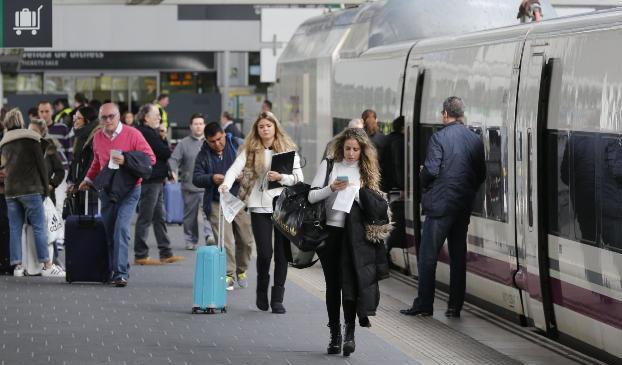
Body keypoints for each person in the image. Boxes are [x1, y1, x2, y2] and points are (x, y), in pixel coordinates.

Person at [400, 97, 486, 318]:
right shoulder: (475, 139)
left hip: (440, 206)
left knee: (428, 256)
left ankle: (424, 304)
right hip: (462, 206)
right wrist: (466, 191)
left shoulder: (439, 137)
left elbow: (430, 171)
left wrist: (422, 177)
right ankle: (454, 307)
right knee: (458, 257)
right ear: (462, 115)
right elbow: (481, 174)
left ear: (446, 115)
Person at [308, 127, 389, 356]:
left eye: (355, 149)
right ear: (341, 147)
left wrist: (358, 195)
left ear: (362, 150)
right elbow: (312, 196)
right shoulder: (330, 165)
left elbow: (375, 206)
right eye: (347, 148)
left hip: (355, 238)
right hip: (330, 234)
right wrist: (330, 188)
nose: (351, 153)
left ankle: (350, 333)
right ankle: (335, 334)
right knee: (333, 286)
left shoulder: (366, 171)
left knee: (350, 286)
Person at [219, 111, 303, 313]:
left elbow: (298, 178)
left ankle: (278, 299)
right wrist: (225, 183)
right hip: (259, 206)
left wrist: (282, 177)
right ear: (257, 130)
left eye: (268, 126)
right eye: (261, 126)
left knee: (282, 255)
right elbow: (233, 169)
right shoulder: (251, 149)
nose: (265, 129)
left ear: (275, 127)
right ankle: (261, 290)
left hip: (283, 206)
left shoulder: (288, 150)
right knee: (265, 253)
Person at [78, 103, 156, 287]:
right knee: (109, 230)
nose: (108, 120)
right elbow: (97, 163)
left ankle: (121, 273)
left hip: (130, 189)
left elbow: (150, 158)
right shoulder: (98, 137)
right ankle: (113, 270)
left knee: (121, 228)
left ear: (119, 116)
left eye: (111, 116)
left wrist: (126, 159)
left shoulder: (133, 134)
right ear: (100, 119)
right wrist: (88, 179)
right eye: (104, 117)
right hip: (107, 190)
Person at [0, 109, 65, 277]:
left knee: (15, 228)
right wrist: (45, 189)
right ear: (21, 122)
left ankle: (18, 267)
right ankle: (47, 265)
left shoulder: (4, 143)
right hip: (31, 190)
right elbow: (42, 168)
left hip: (10, 191)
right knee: (39, 227)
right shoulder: (31, 139)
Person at [193, 122, 254, 290]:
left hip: (239, 199)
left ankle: (242, 270)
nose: (217, 144)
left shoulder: (237, 144)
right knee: (225, 242)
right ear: (207, 140)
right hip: (216, 202)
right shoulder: (203, 154)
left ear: (224, 134)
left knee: (246, 239)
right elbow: (196, 178)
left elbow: (253, 166)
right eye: (212, 141)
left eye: (219, 139)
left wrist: (243, 176)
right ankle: (228, 273)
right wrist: (212, 178)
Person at [133, 104, 183, 266]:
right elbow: (165, 152)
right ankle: (141, 254)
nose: (159, 118)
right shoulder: (147, 133)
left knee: (159, 217)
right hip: (150, 180)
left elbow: (164, 153)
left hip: (156, 180)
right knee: (146, 217)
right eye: (156, 115)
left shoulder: (150, 132)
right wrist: (162, 136)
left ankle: (165, 252)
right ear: (146, 117)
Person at [168, 113, 215, 250]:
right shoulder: (183, 144)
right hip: (189, 186)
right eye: (196, 124)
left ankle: (209, 236)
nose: (198, 126)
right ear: (191, 126)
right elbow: (173, 160)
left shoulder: (211, 142)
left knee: (209, 213)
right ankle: (190, 240)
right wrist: (172, 171)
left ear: (204, 126)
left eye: (201, 123)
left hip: (208, 185)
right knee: (190, 217)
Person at [28, 119, 65, 205]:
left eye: (34, 131)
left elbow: (60, 171)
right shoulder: (23, 148)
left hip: (46, 197)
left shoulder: (50, 148)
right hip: (28, 196)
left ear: (42, 133)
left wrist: (52, 185)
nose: (30, 133)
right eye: (29, 130)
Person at [38, 101, 72, 170]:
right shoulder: (34, 131)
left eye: (47, 111)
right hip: (42, 171)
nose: (44, 114)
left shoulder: (63, 128)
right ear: (38, 113)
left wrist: (68, 168)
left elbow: (69, 151)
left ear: (52, 111)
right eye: (41, 112)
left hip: (62, 170)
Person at [381, 116, 405, 192]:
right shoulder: (400, 141)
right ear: (403, 127)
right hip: (394, 185)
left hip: (385, 182)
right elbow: (398, 164)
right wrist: (402, 186)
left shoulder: (387, 138)